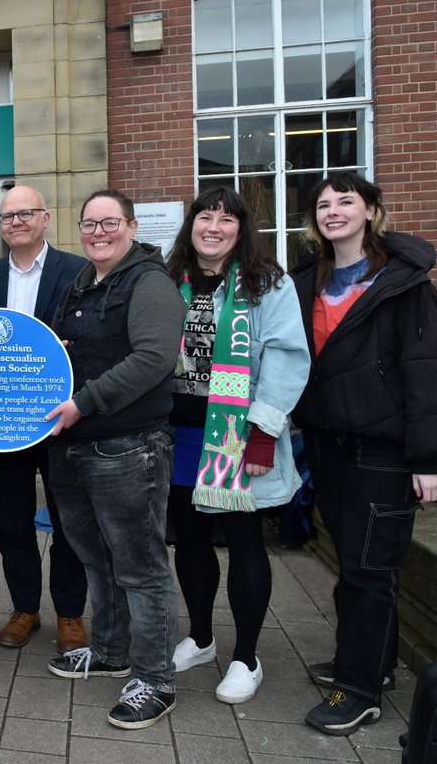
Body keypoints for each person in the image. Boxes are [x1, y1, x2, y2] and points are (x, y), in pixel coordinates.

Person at [290, 173, 437, 735]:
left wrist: (430, 460)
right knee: (351, 561)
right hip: (328, 445)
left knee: (368, 570)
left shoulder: (404, 283)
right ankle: (371, 665)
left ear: (371, 211)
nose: (333, 211)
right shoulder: (306, 280)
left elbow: (430, 370)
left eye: (346, 201)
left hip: (385, 452)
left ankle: (359, 691)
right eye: (323, 204)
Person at [43, 188, 186, 730]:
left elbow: (153, 358)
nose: (97, 232)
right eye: (89, 224)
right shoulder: (83, 282)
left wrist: (85, 401)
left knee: (141, 568)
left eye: (109, 223)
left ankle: (154, 679)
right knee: (95, 558)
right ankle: (108, 651)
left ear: (130, 226)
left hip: (127, 447)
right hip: (72, 446)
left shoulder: (149, 282)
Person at [162, 187, 310, 704]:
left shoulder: (267, 283)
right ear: (192, 225)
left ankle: (247, 656)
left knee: (245, 542)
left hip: (234, 434)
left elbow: (288, 358)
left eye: (228, 219)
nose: (215, 226)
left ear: (242, 230)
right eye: (206, 215)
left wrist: (265, 428)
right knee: (191, 540)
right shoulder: (167, 278)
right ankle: (201, 638)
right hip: (179, 433)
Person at [0, 185, 90, 654]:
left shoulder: (77, 270)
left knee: (68, 522)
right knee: (11, 522)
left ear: (45, 219)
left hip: (60, 420)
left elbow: (89, 335)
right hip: (5, 424)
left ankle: (70, 615)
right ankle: (25, 610)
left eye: (25, 213)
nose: (16, 222)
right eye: (7, 216)